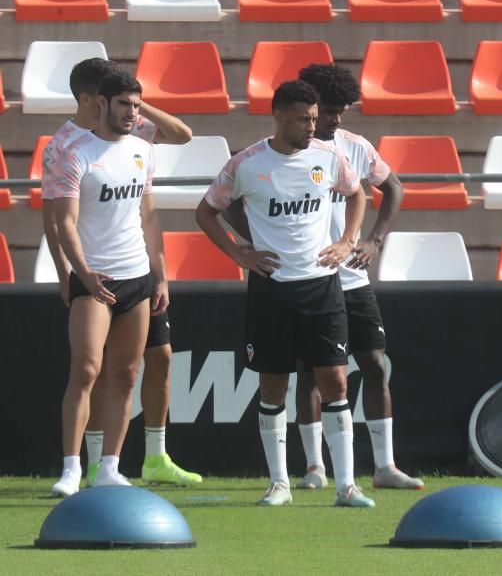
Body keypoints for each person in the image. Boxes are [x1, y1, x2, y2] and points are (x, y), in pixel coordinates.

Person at [224, 64, 424, 491]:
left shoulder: (354, 148)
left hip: (348, 276)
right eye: (327, 110)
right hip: (303, 276)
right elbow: (222, 204)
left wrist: (370, 241)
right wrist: (254, 240)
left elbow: (392, 189)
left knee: (372, 363)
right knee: (310, 372)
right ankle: (315, 466)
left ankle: (384, 466)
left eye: (338, 111)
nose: (333, 119)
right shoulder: (267, 158)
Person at [196, 80, 374, 507]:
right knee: (273, 386)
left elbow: (358, 195)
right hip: (271, 289)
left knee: (335, 382)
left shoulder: (328, 157)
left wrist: (348, 240)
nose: (311, 126)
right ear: (277, 116)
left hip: (322, 286)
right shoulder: (248, 163)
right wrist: (240, 253)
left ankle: (346, 485)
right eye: (302, 119)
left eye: (314, 118)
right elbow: (205, 211)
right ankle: (279, 483)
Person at [43, 58, 201, 489]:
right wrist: (80, 272)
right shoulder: (73, 153)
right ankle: (73, 468)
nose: (133, 112)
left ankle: (111, 467)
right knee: (88, 369)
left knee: (127, 374)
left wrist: (160, 275)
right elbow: (62, 222)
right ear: (100, 104)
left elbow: (148, 218)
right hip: (96, 280)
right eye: (126, 105)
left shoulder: (142, 149)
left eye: (137, 105)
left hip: (138, 278)